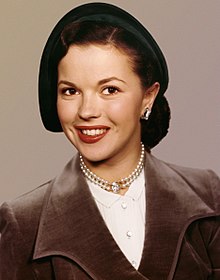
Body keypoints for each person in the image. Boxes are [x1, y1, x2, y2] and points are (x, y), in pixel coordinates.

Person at [0, 2, 219, 279]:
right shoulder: (23, 222)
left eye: (109, 89)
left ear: (148, 97)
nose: (87, 111)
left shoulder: (208, 195)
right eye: (70, 91)